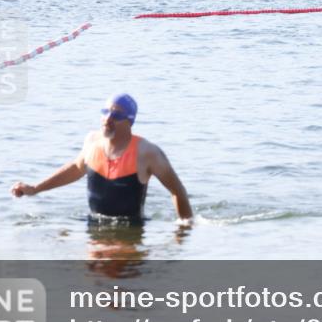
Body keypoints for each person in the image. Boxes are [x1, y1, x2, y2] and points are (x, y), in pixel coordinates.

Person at [10, 93, 193, 224]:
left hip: (130, 229)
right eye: (105, 112)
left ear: (129, 121)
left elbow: (177, 191)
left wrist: (184, 230)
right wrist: (35, 189)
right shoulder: (92, 141)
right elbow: (75, 169)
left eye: (116, 115)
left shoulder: (147, 152)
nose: (108, 118)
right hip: (94, 224)